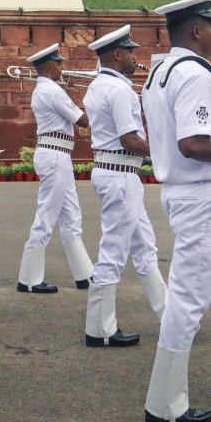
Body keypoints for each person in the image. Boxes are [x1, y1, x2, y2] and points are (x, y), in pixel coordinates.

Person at [142, 0, 211, 422]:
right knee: (186, 302)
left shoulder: (161, 72)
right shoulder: (195, 74)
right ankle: (165, 407)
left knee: (189, 296)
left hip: (185, 195)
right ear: (198, 29)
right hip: (200, 194)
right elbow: (194, 142)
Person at [82, 25, 167, 348]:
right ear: (117, 54)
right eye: (131, 52)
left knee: (145, 248)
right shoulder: (120, 91)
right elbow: (130, 139)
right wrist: (163, 150)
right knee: (113, 253)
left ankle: (169, 313)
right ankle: (100, 329)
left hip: (115, 173)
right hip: (120, 175)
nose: (136, 57)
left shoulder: (98, 86)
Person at [16, 43, 94, 293]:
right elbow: (83, 121)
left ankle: (84, 274)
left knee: (71, 214)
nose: (63, 67)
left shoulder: (48, 89)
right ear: (50, 66)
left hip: (58, 154)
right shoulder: (52, 90)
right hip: (55, 155)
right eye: (59, 63)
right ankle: (29, 279)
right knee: (47, 215)